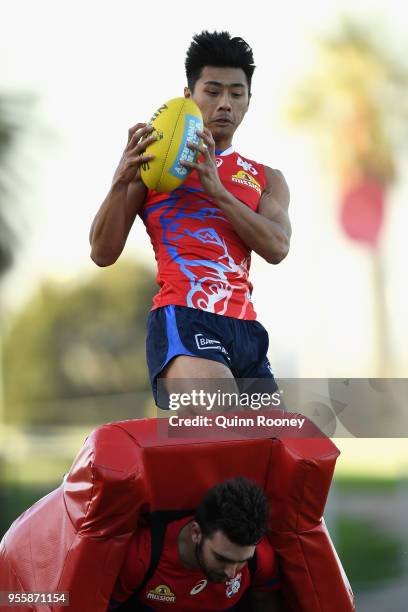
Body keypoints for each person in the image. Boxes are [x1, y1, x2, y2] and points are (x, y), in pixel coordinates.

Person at [90, 31, 291, 412]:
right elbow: (102, 252)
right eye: (212, 91)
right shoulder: (154, 164)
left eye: (236, 93)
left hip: (245, 329)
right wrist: (120, 181)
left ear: (249, 100)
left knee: (269, 455)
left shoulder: (266, 178)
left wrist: (218, 192)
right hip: (184, 317)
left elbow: (278, 247)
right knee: (221, 415)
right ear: (189, 96)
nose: (225, 105)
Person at [108, 477, 281, 611]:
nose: (231, 573)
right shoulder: (141, 558)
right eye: (221, 558)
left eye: (241, 561)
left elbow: (265, 604)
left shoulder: (260, 558)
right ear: (196, 533)